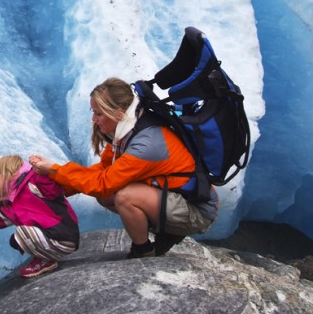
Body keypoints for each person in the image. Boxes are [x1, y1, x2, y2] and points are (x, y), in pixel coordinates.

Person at [29, 77, 219, 259]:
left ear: (118, 112)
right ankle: (167, 232)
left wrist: (54, 170)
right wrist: (58, 187)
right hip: (175, 197)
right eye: (93, 112)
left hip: (197, 209)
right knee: (107, 195)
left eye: (99, 113)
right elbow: (104, 170)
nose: (94, 119)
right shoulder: (129, 129)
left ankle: (143, 251)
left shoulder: (145, 144)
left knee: (124, 196)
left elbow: (103, 183)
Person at [0, 154, 80, 278]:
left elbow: (54, 186)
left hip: (64, 236)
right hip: (52, 239)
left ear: (6, 175)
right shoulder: (7, 205)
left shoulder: (34, 182)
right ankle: (44, 256)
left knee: (23, 234)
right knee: (16, 240)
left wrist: (44, 170)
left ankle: (46, 261)